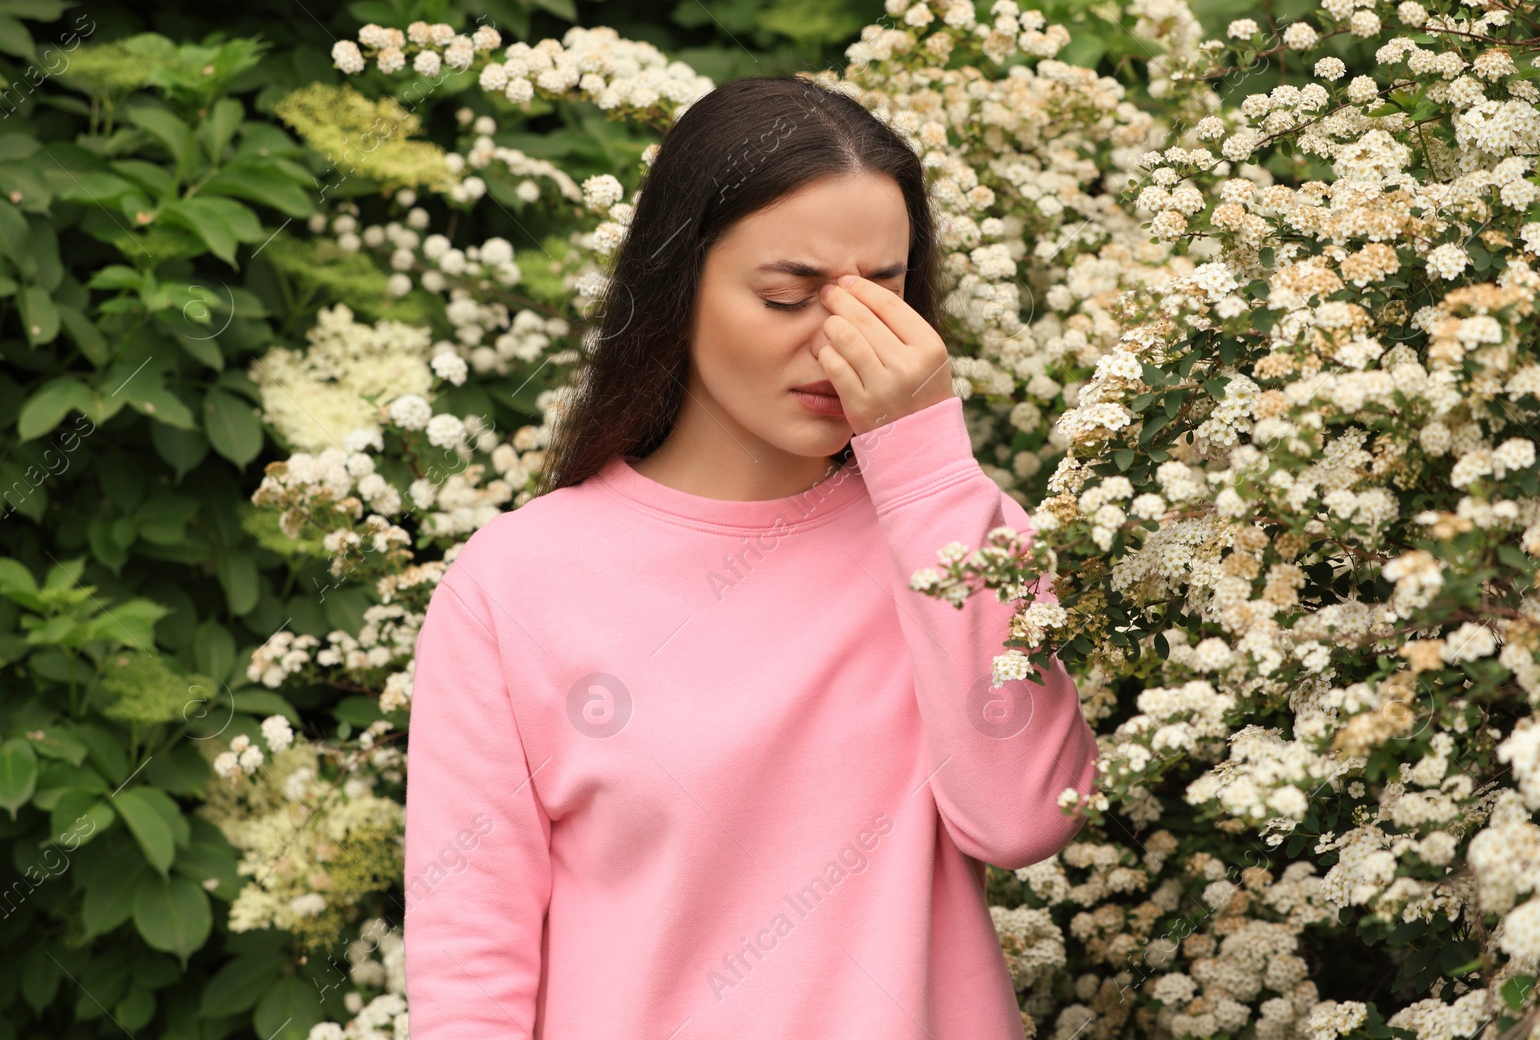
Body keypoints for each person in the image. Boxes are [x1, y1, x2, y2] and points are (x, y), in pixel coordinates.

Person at [402, 73, 1098, 1039]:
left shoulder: (955, 537)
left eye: (883, 296)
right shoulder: (514, 583)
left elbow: (1025, 817)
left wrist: (930, 465)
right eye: (788, 295)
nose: (842, 338)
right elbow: (469, 976)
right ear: (679, 287)